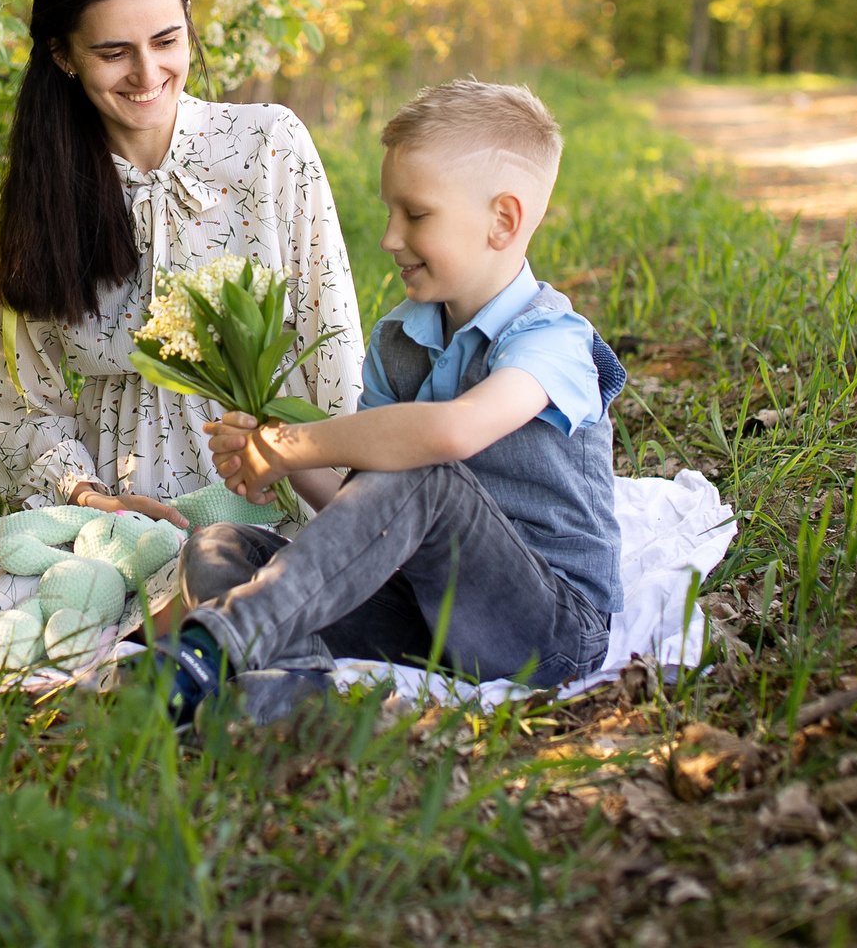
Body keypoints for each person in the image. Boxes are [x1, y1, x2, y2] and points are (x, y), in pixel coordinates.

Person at [149, 78, 627, 723]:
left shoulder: (555, 339)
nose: (390, 238)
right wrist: (279, 460)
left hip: (545, 628)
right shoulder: (400, 337)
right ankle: (281, 702)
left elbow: (452, 435)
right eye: (390, 213)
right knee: (220, 542)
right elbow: (369, 502)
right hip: (422, 612)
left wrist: (298, 441)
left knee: (427, 473)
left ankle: (214, 647)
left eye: (416, 214)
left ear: (503, 220)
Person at [0, 0, 363, 537]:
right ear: (62, 55)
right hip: (111, 506)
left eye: (166, 41)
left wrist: (350, 504)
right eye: (113, 53)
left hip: (271, 490)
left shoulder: (268, 144)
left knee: (236, 604)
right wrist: (92, 501)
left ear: (189, 26)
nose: (147, 72)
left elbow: (334, 341)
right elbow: (22, 402)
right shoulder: (41, 190)